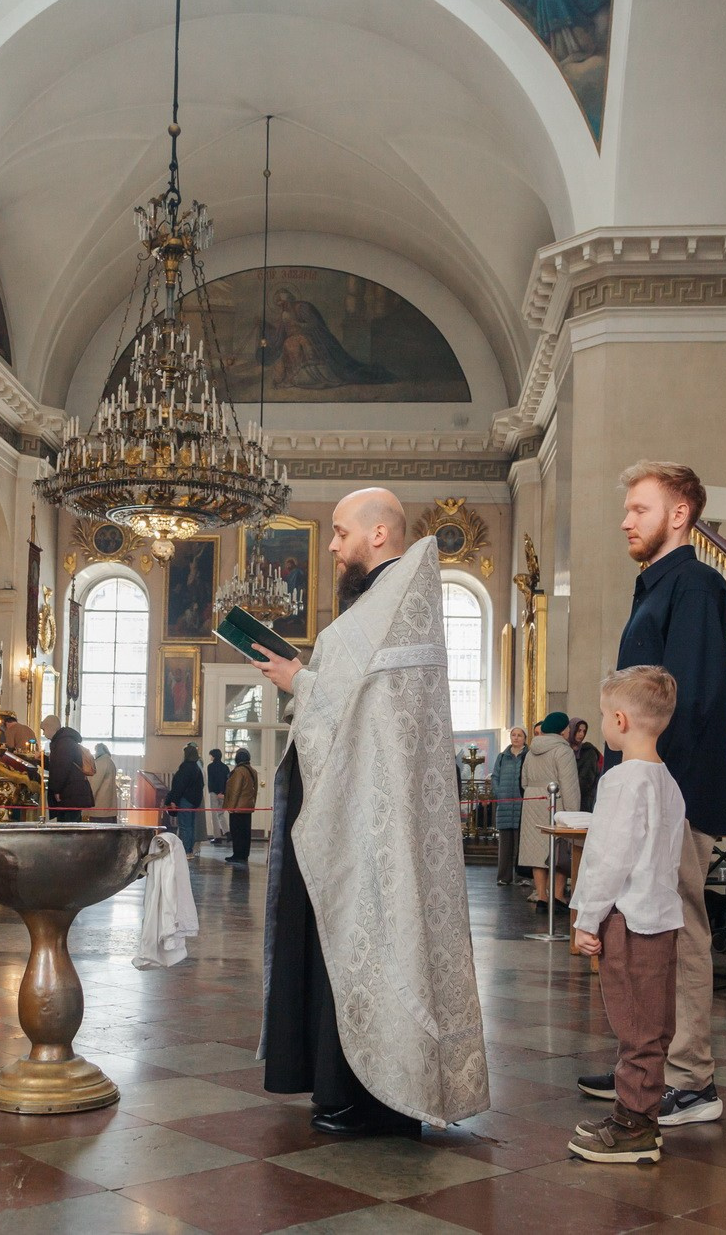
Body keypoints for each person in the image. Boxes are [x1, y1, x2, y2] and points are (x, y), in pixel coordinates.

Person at [251, 487, 488, 1137]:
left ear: (378, 533)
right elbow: (362, 701)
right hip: (351, 803)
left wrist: (300, 681)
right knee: (348, 943)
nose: (330, 545)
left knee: (372, 940)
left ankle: (371, 1096)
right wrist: (305, 679)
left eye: (337, 532)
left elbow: (368, 706)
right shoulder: (387, 599)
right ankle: (343, 1085)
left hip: (368, 813)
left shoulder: (395, 598)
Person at [579, 462, 726, 1127]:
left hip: (675, 791)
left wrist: (651, 794)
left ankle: (690, 1077)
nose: (625, 519)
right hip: (655, 787)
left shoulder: (695, 585)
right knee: (643, 933)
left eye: (639, 508)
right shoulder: (659, 585)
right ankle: (643, 1065)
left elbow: (690, 698)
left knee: (680, 934)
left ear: (680, 514)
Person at [567, 667, 687, 1165]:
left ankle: (634, 1126)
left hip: (628, 921)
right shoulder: (667, 781)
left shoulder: (621, 780)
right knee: (654, 1024)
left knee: (634, 1027)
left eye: (602, 716)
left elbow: (607, 858)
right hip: (661, 920)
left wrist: (586, 918)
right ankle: (636, 1114)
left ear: (619, 720)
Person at [519, 713, 579, 909]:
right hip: (555, 802)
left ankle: (542, 897)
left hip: (532, 801)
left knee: (537, 851)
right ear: (562, 730)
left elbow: (523, 781)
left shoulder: (530, 751)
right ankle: (558, 896)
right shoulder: (563, 751)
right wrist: (573, 813)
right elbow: (569, 784)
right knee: (559, 850)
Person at [490, 727, 527, 887]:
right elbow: (495, 776)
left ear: (525, 738)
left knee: (521, 843)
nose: (516, 738)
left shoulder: (528, 755)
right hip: (505, 805)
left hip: (522, 805)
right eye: (513, 735)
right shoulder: (502, 757)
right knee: (505, 844)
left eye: (519, 735)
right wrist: (499, 793)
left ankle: (521, 876)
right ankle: (504, 877)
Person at [47, 726, 93, 823]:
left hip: (69, 793)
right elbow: (58, 766)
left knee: (68, 829)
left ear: (50, 728)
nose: (43, 734)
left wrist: (57, 790)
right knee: (69, 826)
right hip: (72, 793)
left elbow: (61, 769)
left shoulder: (64, 744)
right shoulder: (67, 742)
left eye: (44, 730)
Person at [224, 747, 258, 863]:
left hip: (238, 807)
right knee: (246, 832)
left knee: (237, 832)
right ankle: (244, 855)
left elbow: (235, 790)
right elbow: (255, 790)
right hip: (247, 807)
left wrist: (231, 807)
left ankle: (237, 855)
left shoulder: (239, 771)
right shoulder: (252, 771)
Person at [169, 744, 205, 854]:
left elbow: (179, 785)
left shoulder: (185, 767)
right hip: (194, 801)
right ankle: (189, 849)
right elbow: (201, 785)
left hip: (185, 800)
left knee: (184, 826)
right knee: (191, 826)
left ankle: (185, 850)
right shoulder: (197, 768)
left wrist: (174, 799)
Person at [569, 718, 604, 815]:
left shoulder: (588, 752)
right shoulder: (565, 750)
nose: (581, 734)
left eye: (584, 731)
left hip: (584, 801)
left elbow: (587, 779)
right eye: (578, 730)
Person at [89, 742, 120, 822]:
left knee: (98, 833)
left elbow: (95, 784)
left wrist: (87, 800)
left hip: (100, 806)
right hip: (108, 806)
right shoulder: (109, 762)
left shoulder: (100, 763)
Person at [206, 748, 230, 844]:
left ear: (214, 756)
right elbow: (226, 781)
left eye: (211, 755)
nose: (210, 757)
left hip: (214, 793)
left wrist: (215, 792)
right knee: (220, 814)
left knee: (214, 815)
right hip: (223, 793)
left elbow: (212, 781)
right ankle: (227, 832)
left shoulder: (210, 767)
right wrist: (223, 792)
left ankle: (217, 837)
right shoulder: (225, 767)